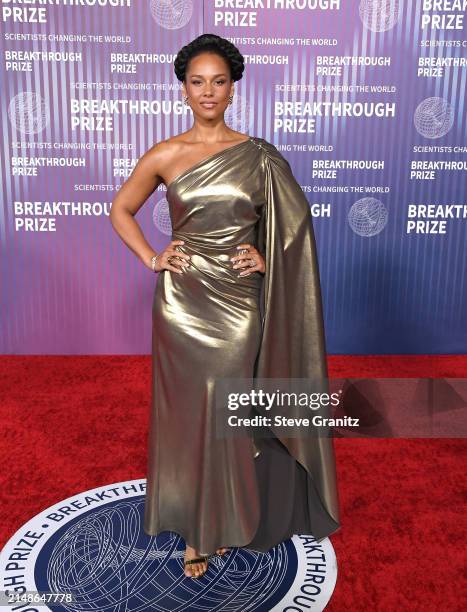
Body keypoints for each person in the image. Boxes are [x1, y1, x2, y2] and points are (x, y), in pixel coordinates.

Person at [109, 33, 340, 580]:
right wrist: (151, 257)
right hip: (183, 305)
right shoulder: (165, 154)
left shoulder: (259, 156)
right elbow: (121, 208)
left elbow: (292, 228)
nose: (208, 91)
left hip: (238, 307)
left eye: (218, 81)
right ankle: (197, 529)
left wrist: (268, 257)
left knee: (233, 410)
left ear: (233, 90)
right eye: (197, 82)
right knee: (190, 417)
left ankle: (239, 515)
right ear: (183, 90)